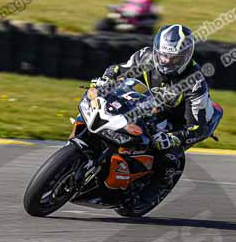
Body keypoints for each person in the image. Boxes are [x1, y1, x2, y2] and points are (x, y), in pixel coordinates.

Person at [93, 24, 222, 201]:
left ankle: (160, 183)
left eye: (174, 59)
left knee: (164, 149)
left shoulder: (195, 83)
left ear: (185, 57)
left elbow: (198, 128)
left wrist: (175, 137)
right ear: (156, 50)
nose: (167, 61)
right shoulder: (145, 56)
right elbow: (117, 70)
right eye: (163, 55)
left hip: (181, 121)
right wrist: (106, 80)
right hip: (152, 105)